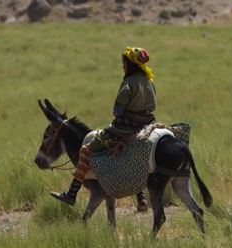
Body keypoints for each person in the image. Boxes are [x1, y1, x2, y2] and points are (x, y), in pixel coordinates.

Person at [50, 46, 156, 207]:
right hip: (147, 126)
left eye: (124, 63)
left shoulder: (127, 83)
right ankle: (140, 196)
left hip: (125, 128)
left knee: (85, 150)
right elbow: (153, 106)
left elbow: (117, 111)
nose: (123, 66)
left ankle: (71, 193)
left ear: (130, 64)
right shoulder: (149, 81)